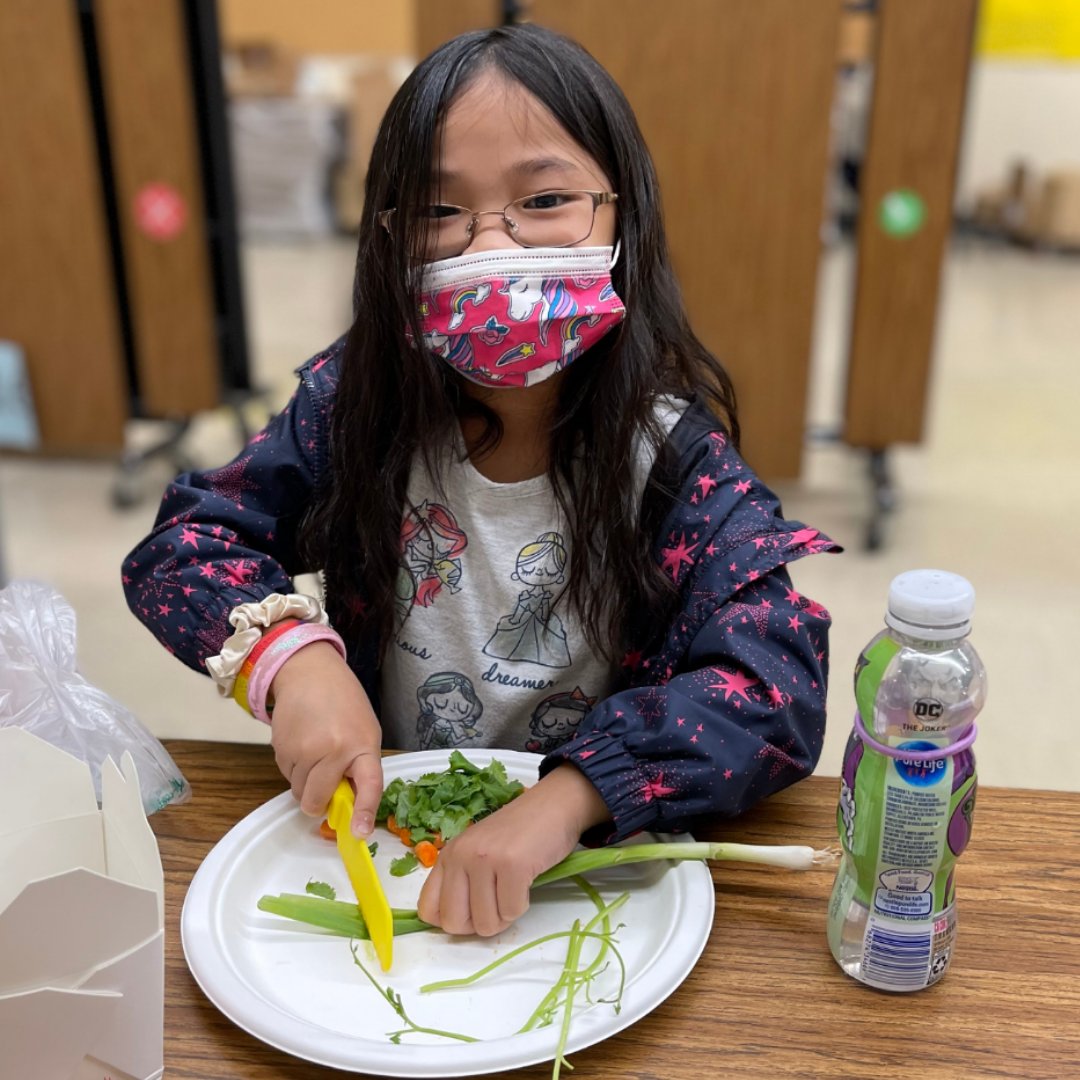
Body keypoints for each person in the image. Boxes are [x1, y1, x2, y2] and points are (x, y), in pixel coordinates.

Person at [123, 24, 839, 940]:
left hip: (585, 872)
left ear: (625, 214)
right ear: (387, 239)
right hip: (388, 838)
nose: (490, 249)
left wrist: (571, 798)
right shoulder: (355, 409)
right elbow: (185, 545)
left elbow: (776, 684)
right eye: (437, 213)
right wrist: (290, 661)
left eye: (544, 199)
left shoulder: (669, 457)